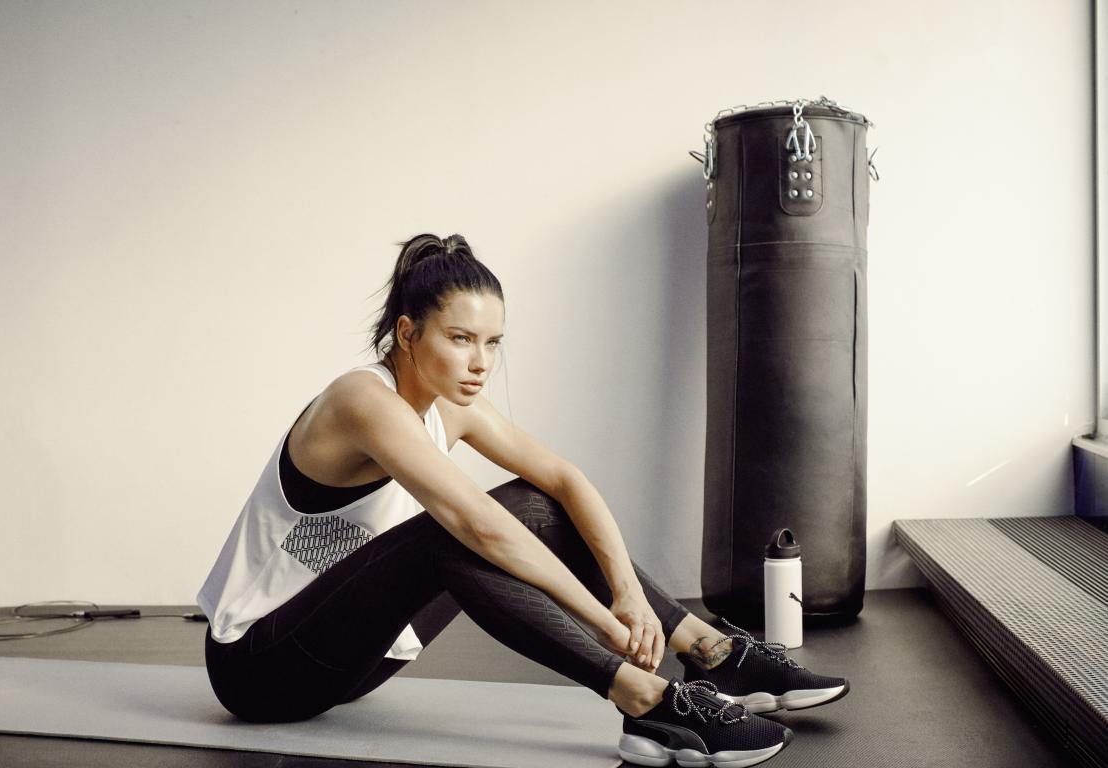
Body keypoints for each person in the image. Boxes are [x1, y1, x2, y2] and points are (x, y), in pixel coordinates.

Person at [197, 234, 848, 767]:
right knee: (453, 531)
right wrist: (603, 621)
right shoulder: (361, 400)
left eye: (492, 343)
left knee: (534, 504)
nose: (481, 362)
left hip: (359, 661)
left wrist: (626, 592)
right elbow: (477, 524)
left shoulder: (452, 406)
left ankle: (713, 653)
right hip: (259, 666)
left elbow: (564, 481)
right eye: (460, 339)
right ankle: (645, 698)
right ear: (408, 334)